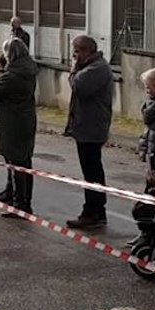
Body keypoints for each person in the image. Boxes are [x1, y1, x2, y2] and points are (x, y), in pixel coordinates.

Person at [0, 37, 38, 216]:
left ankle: (21, 203)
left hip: (13, 122)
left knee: (16, 162)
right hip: (25, 119)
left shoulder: (12, 76)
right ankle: (12, 192)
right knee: (21, 160)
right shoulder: (28, 70)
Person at [64, 35, 114, 230]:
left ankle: (93, 211)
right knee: (90, 169)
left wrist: (74, 69)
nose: (74, 55)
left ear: (87, 50)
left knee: (92, 171)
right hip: (86, 125)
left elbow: (79, 86)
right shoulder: (91, 67)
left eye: (77, 51)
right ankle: (95, 210)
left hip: (92, 127)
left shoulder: (97, 68)